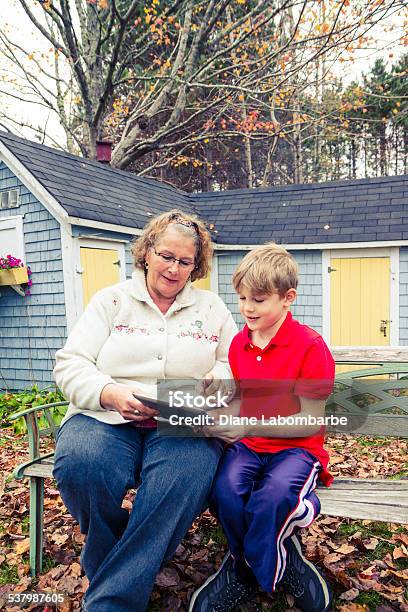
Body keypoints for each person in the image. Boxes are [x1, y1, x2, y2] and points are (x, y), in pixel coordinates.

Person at [52, 209, 238, 612]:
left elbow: (232, 363)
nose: (173, 268)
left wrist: (216, 380)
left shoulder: (212, 309)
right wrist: (110, 392)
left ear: (196, 266)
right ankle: (121, 557)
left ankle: (111, 600)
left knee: (185, 475)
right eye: (166, 255)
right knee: (82, 465)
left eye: (184, 261)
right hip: (105, 415)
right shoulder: (112, 300)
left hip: (180, 419)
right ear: (148, 252)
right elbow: (70, 363)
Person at [190, 243, 335, 612]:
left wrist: (248, 422)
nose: (247, 308)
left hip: (297, 450)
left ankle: (246, 572)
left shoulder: (310, 347)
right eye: (241, 298)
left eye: (258, 299)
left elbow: (310, 419)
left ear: (288, 298)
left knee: (270, 499)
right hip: (250, 447)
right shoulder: (239, 345)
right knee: (224, 492)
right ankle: (280, 553)